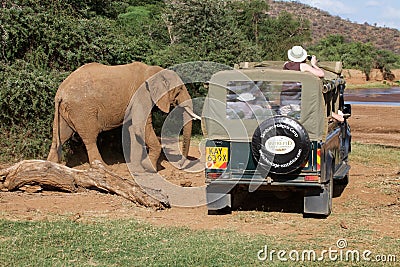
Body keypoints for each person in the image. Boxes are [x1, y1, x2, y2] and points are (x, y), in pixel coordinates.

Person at [283, 45, 344, 122]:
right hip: (297, 101)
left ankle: (337, 116)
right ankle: (338, 117)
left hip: (285, 100)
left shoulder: (285, 65)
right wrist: (314, 64)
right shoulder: (303, 66)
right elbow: (321, 74)